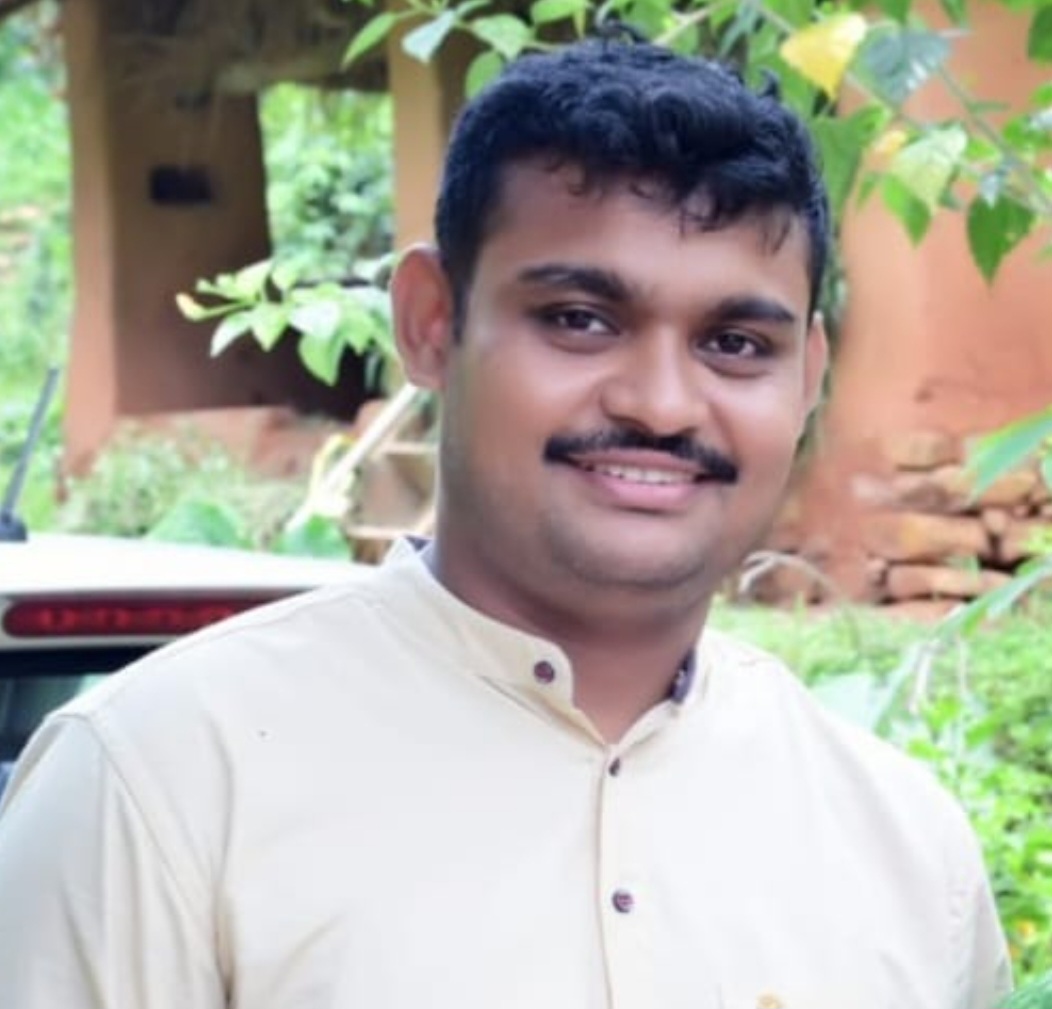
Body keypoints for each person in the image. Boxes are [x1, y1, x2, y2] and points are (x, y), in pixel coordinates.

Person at [0, 31, 1010, 1009]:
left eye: (735, 342)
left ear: (808, 373)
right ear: (430, 323)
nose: (662, 405)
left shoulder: (907, 851)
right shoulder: (159, 786)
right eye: (580, 319)